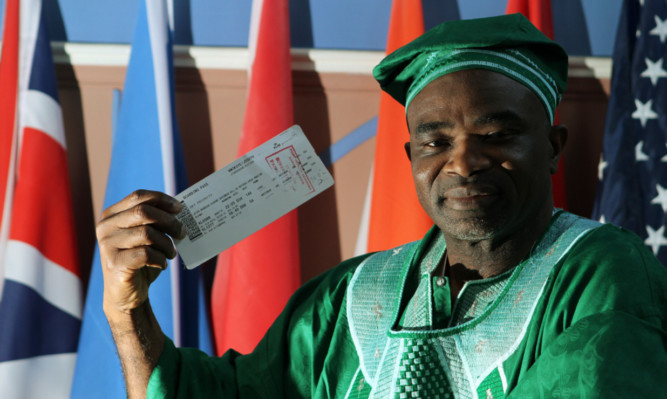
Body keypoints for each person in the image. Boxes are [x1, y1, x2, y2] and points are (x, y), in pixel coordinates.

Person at [97, 14, 667, 398]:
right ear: (410, 155)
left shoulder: (600, 272)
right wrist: (129, 315)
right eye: (435, 142)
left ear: (553, 149)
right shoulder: (349, 297)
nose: (462, 163)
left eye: (496, 134)